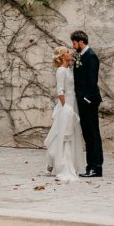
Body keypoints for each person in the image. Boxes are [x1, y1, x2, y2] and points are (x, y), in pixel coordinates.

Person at [44, 45, 84, 182]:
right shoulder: (61, 70)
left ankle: (55, 164)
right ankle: (56, 163)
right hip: (66, 104)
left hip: (73, 102)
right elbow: (60, 90)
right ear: (62, 56)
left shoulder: (69, 69)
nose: (69, 53)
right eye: (67, 52)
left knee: (70, 132)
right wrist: (65, 106)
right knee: (61, 133)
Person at [71, 30, 103, 178]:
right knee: (89, 135)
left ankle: (95, 167)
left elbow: (92, 81)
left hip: (88, 102)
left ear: (81, 42)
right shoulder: (82, 56)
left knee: (92, 135)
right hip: (83, 102)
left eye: (74, 43)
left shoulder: (90, 56)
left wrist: (87, 99)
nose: (73, 46)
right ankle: (92, 166)